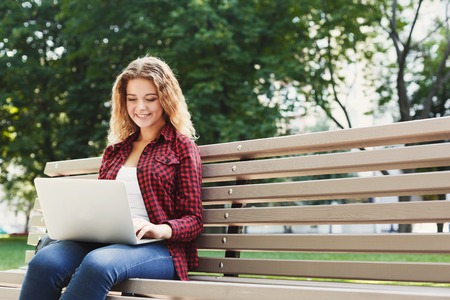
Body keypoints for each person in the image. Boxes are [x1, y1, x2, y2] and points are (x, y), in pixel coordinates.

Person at [19, 56, 203, 300]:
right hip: (104, 241)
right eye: (132, 99)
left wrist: (158, 229)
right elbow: (101, 205)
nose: (141, 108)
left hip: (159, 249)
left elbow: (193, 220)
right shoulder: (116, 150)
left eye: (150, 99)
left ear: (166, 99)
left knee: (98, 264)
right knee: (44, 262)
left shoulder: (181, 147)